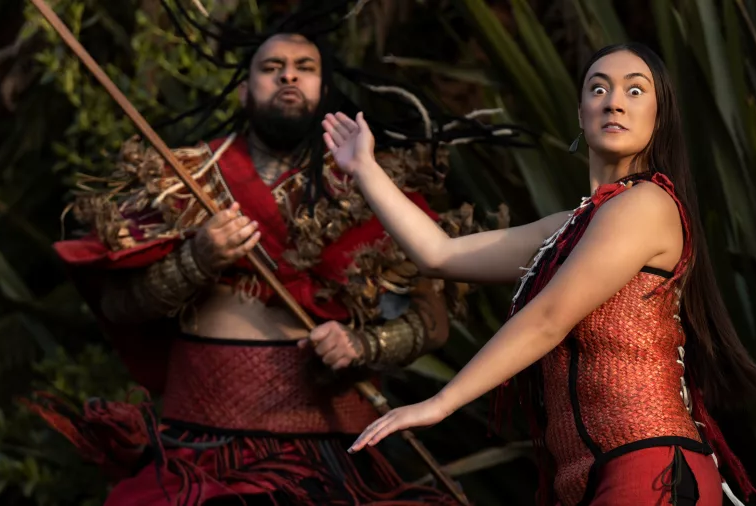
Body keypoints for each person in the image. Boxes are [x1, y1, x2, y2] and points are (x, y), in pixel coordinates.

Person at [27, 31, 486, 506]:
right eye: (271, 67)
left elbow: (432, 323)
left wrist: (364, 342)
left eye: (304, 67)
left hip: (325, 450)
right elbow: (120, 306)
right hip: (198, 444)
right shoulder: (181, 181)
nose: (288, 74)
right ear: (245, 91)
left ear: (324, 91)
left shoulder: (375, 188)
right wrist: (195, 260)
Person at [321, 43, 756, 506]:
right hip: (588, 478)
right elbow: (438, 254)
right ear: (581, 114)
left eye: (635, 91)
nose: (613, 100)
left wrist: (441, 402)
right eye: (598, 88)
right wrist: (364, 168)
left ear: (660, 117)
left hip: (652, 466)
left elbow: (549, 317)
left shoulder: (646, 204)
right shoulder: (574, 224)